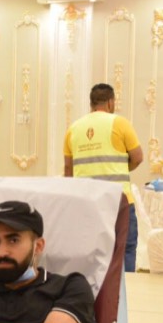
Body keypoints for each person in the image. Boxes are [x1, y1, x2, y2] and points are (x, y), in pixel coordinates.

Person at [63, 84, 142, 272]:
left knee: (91, 251)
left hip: (87, 201)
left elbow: (68, 169)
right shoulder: (120, 123)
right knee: (125, 248)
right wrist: (122, 168)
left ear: (91, 104)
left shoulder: (73, 129)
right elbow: (138, 157)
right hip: (119, 200)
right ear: (110, 102)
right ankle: (124, 289)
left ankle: (92, 288)